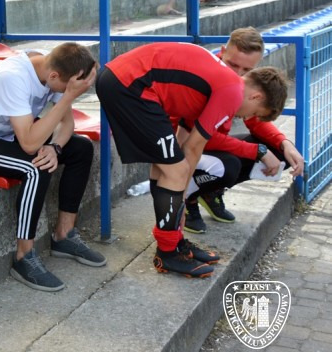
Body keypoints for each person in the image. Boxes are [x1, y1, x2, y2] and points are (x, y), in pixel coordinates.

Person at [95, 42, 288, 278]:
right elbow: (194, 147)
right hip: (130, 85)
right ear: (256, 96)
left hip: (125, 80)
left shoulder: (222, 84)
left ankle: (174, 243)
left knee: (167, 168)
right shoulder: (232, 91)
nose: (247, 117)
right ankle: (167, 253)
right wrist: (181, 200)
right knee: (176, 171)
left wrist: (180, 202)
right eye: (255, 112)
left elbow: (186, 141)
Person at [0, 43, 104, 292]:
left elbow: (67, 125)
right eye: (66, 89)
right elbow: (30, 144)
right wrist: (68, 96)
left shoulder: (53, 66)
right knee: (36, 167)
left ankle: (64, 235)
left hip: (12, 136)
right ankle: (23, 257)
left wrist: (55, 148)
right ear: (54, 76)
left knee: (81, 148)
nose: (67, 94)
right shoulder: (12, 77)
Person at [182, 27, 304, 233]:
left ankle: (210, 192)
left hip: (207, 144)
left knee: (278, 152)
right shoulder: (205, 78)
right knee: (230, 165)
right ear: (222, 52)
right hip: (184, 147)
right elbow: (197, 137)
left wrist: (285, 143)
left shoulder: (241, 83)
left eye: (246, 69)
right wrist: (257, 151)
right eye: (233, 64)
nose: (237, 74)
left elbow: (254, 120)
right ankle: (188, 198)